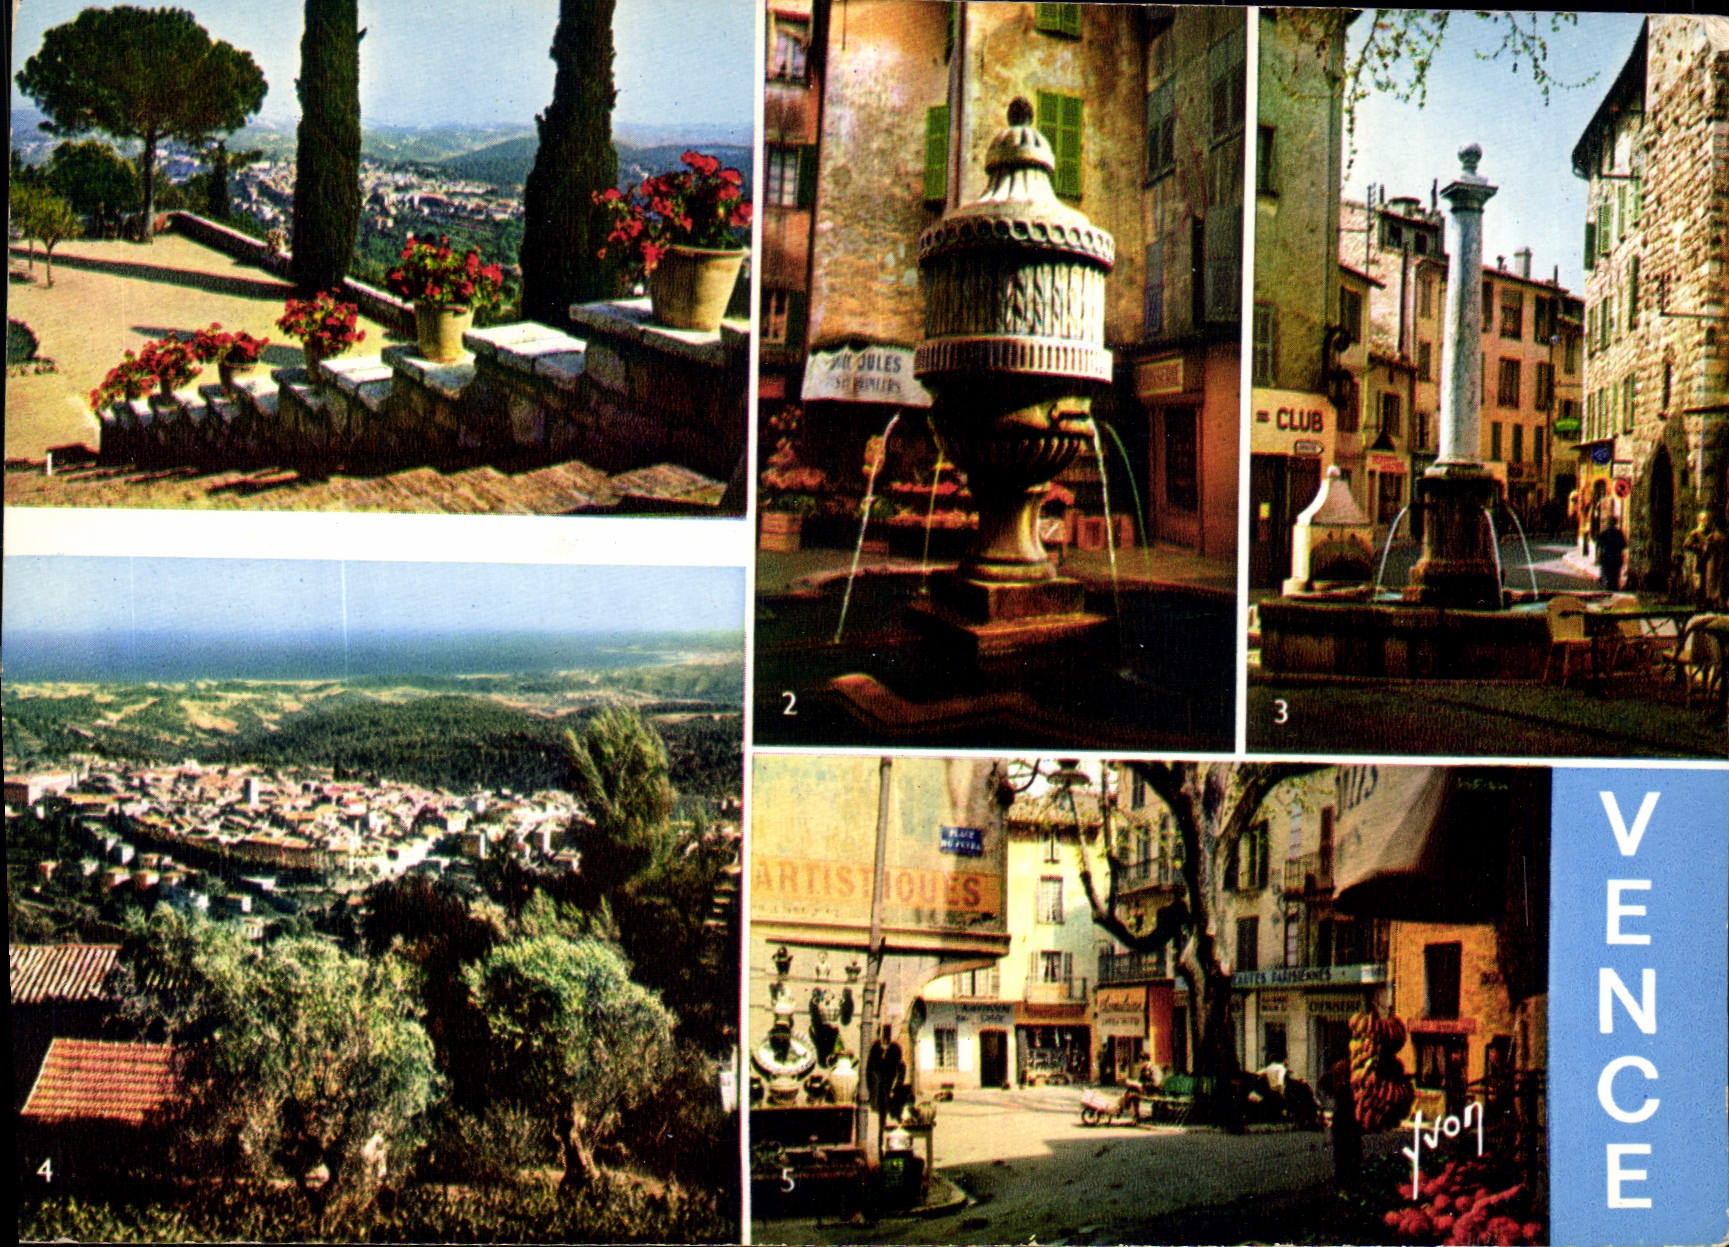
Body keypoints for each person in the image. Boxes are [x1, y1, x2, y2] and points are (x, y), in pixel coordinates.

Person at [1320, 1059, 1362, 1191]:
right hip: (1347, 1122)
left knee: (1343, 1155)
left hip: (1343, 1122)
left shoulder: (1342, 1084)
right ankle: (1348, 1183)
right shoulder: (1347, 1086)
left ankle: (1343, 1183)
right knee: (1349, 1154)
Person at [1597, 515, 1628, 591]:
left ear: (1607, 523)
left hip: (1606, 556)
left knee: (1606, 572)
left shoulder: (1603, 533)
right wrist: (1623, 557)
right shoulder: (1619, 533)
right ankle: (1614, 586)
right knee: (1615, 573)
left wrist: (1598, 557)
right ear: (1615, 523)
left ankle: (1606, 585)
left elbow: (1599, 546)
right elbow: (1623, 546)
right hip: (1616, 556)